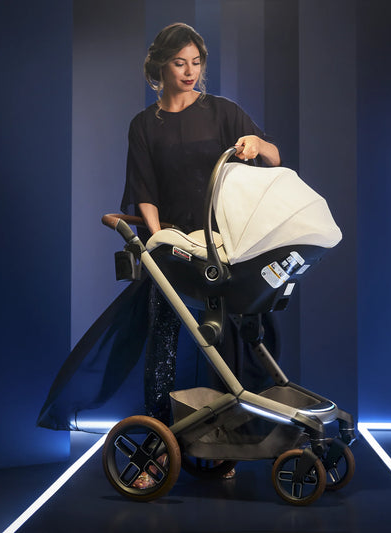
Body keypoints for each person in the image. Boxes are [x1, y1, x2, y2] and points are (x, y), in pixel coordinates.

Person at [120, 22, 281, 484]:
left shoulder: (222, 112)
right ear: (160, 67)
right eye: (179, 63)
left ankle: (238, 442)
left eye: (196, 62)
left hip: (227, 243)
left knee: (240, 336)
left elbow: (274, 157)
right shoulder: (144, 125)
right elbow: (144, 193)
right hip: (176, 247)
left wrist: (257, 145)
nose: (189, 71)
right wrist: (158, 246)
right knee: (163, 340)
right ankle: (156, 451)